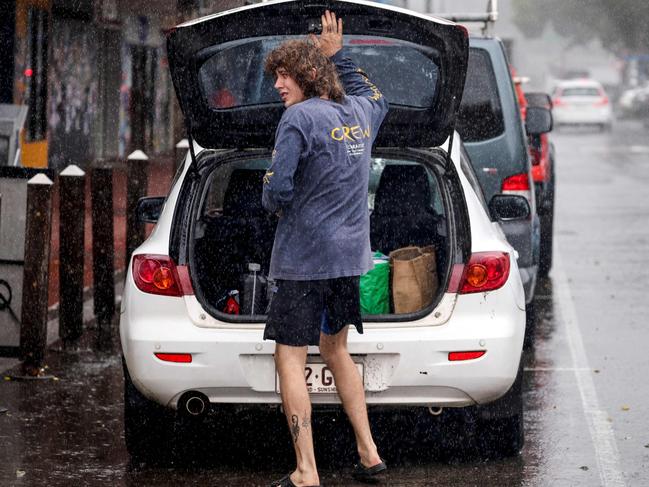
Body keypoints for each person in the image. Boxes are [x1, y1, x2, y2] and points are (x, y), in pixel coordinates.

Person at [261, 10, 389, 487]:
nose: (277, 85)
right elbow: (374, 95)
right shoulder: (359, 113)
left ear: (308, 76)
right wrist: (343, 56)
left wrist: (271, 195)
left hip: (303, 260)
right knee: (336, 350)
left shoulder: (297, 118)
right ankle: (370, 454)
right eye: (275, 76)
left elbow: (278, 190)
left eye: (284, 75)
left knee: (290, 357)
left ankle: (306, 471)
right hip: (348, 260)